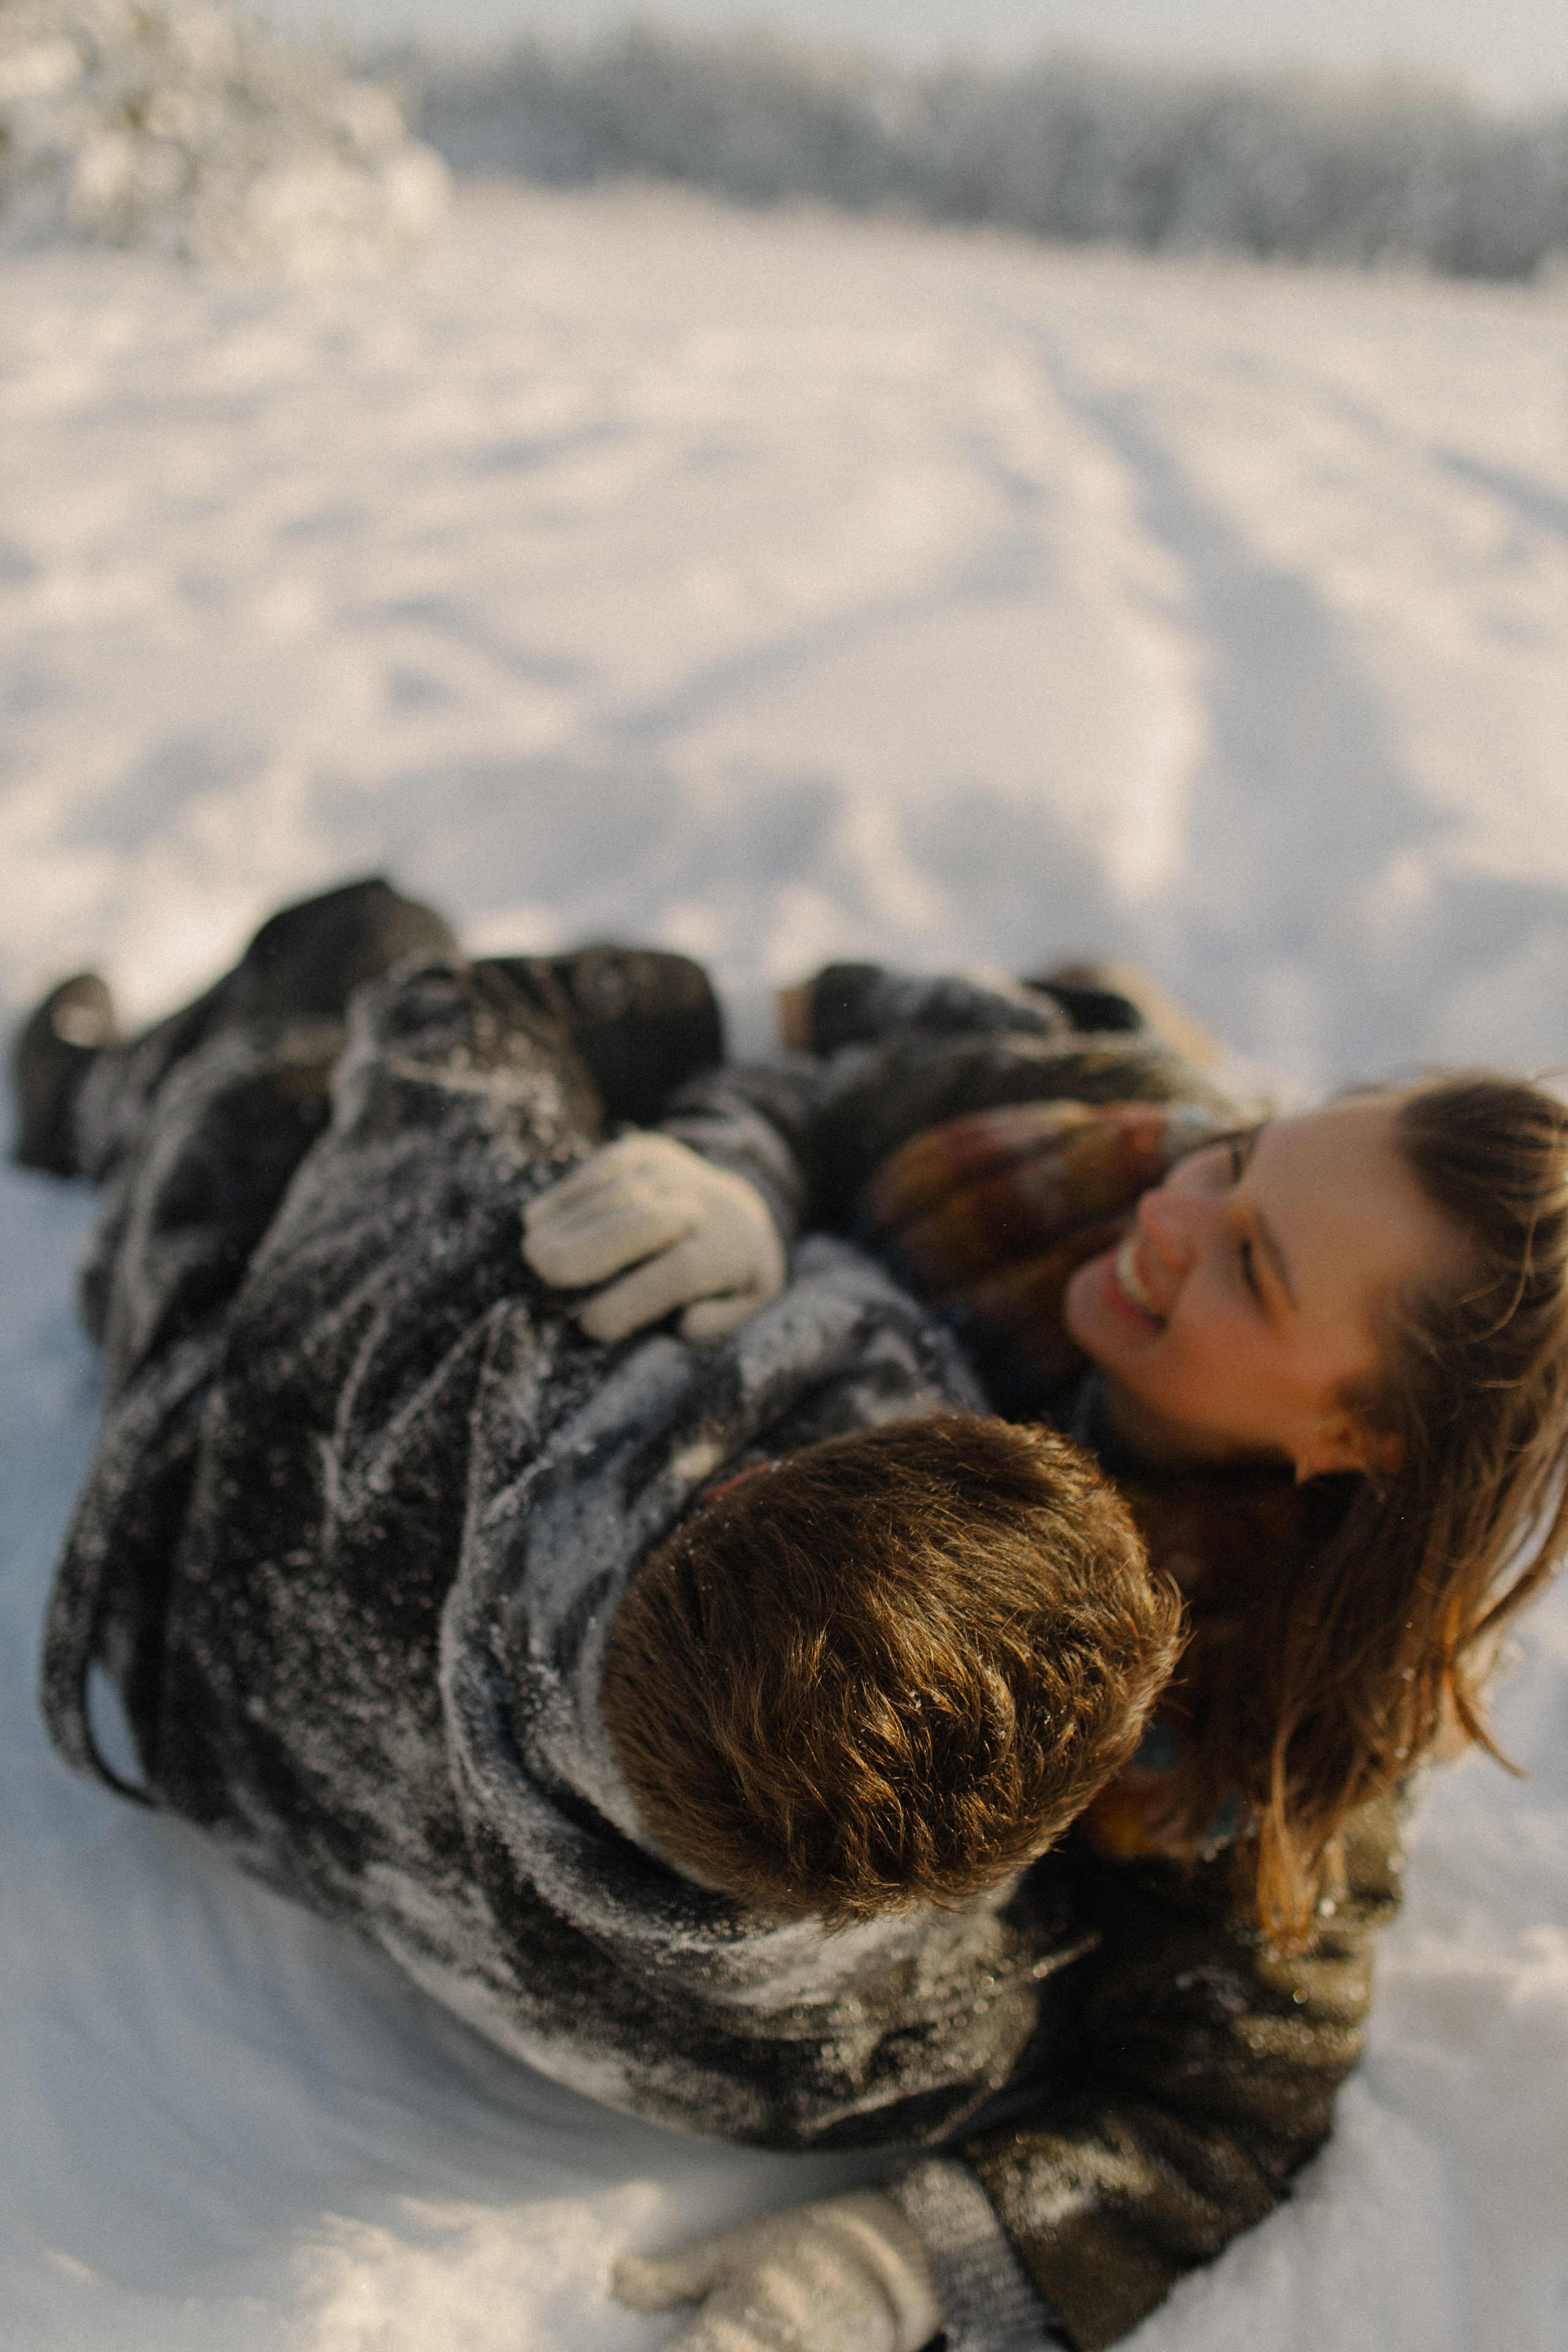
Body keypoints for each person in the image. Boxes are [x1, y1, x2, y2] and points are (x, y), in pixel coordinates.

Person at [20, 886, 1183, 2288]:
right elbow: (1150, 2050)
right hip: (239, 1694)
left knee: (363, 947)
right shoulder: (878, 2056)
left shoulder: (488, 1304)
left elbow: (454, 1019)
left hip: (209, 1444)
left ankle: (76, 1097)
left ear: (747, 1481)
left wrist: (749, 1078)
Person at [521, 956, 1568, 2352]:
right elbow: (834, 1108)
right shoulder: (1084, 1148)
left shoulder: (1257, 1719)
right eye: (1238, 1161)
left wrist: (889, 2266)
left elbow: (1220, 2106)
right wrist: (738, 1181)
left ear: (1358, 1445)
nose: (1173, 1216)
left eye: (1251, 1268)